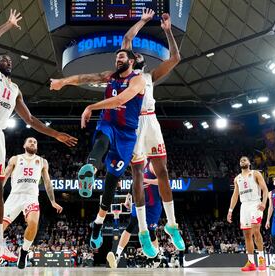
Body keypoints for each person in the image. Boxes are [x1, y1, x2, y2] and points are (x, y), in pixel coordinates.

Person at [0, 9, 77, 268]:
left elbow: (32, 122)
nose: (6, 61)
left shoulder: (15, 90)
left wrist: (55, 134)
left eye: (9, 60)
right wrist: (8, 24)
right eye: (3, 58)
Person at [50, 48, 146, 251]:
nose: (117, 59)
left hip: (127, 133)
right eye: (116, 57)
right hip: (108, 123)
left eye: (121, 57)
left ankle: (98, 224)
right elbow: (84, 78)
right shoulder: (109, 76)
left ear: (131, 61)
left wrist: (90, 107)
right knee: (102, 140)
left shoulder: (138, 80)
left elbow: (120, 100)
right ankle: (90, 170)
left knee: (111, 182)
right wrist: (63, 81)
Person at [121, 8, 184, 256]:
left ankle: (172, 224)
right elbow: (127, 40)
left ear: (141, 61)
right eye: (131, 55)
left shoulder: (149, 76)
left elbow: (176, 58)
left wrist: (168, 32)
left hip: (151, 121)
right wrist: (143, 20)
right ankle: (144, 230)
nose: (133, 54)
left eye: (136, 55)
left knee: (163, 172)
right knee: (137, 173)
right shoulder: (125, 75)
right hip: (133, 124)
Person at [1, 137, 63, 269]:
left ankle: (23, 252)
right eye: (30, 141)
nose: (33, 143)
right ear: (24, 144)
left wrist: (53, 201)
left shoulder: (42, 161)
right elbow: (5, 176)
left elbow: (47, 182)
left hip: (31, 197)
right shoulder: (15, 159)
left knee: (34, 223)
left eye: (35, 142)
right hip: (15, 196)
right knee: (0, 227)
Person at [106, 159, 162, 268]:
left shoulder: (152, 165)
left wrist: (146, 180)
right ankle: (117, 255)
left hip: (153, 205)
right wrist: (128, 196)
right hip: (140, 202)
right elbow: (134, 182)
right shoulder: (138, 167)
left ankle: (157, 256)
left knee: (151, 231)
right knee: (131, 225)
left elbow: (163, 181)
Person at [227, 156, 268, 271]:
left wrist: (264, 203)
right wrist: (230, 210)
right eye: (241, 160)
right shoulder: (237, 178)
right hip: (244, 206)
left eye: (245, 160)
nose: (243, 161)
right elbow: (235, 196)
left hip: (255, 204)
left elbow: (265, 189)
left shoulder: (256, 174)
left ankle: (261, 259)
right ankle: (251, 262)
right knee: (247, 235)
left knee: (256, 231)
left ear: (249, 162)